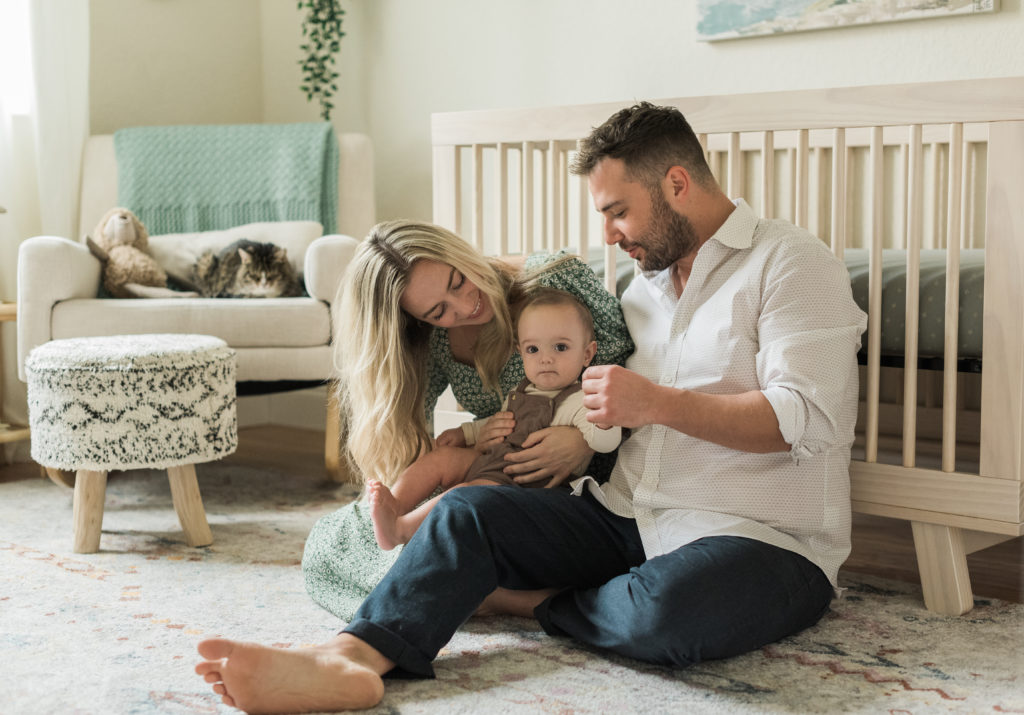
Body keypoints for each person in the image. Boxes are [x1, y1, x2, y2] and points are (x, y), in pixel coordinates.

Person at [195, 101, 867, 714]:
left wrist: (656, 402)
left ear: (676, 185)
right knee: (465, 512)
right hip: (629, 519)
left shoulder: (792, 264)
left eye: (617, 210)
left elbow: (807, 420)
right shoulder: (642, 293)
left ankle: (524, 600)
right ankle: (351, 657)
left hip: (763, 538)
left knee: (666, 612)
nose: (609, 235)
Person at [302, 220, 634, 621]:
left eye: (458, 281)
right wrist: (468, 442)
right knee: (329, 541)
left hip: (580, 490)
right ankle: (491, 593)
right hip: (498, 470)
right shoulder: (436, 340)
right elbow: (422, 443)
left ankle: (490, 593)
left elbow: (642, 373)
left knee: (438, 541)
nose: (465, 307)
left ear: (457, 251)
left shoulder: (557, 280)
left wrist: (582, 442)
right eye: (439, 311)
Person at [369, 287, 623, 550]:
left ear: (587, 354)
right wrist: (466, 433)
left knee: (466, 493)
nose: (546, 358)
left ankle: (400, 531)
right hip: (497, 463)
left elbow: (604, 442)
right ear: (520, 352)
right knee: (441, 459)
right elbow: (500, 422)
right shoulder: (522, 390)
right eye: (533, 349)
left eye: (560, 347)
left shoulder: (580, 400)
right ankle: (395, 505)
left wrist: (603, 423)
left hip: (527, 485)